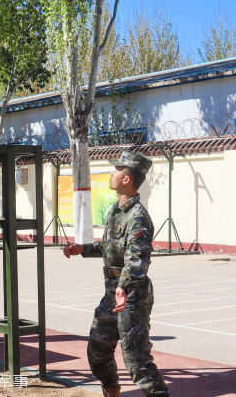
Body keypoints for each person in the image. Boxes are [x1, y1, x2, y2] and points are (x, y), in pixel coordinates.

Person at [63, 150, 169, 397]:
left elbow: (137, 259)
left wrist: (124, 288)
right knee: (98, 349)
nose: (112, 173)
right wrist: (83, 249)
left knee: (137, 362)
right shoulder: (115, 211)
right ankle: (112, 393)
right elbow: (109, 247)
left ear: (126, 179)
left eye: (116, 170)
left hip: (131, 295)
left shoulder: (138, 217)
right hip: (113, 292)